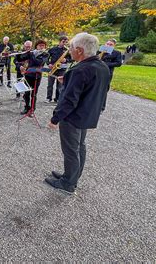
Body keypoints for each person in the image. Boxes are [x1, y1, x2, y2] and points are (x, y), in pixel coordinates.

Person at [46, 32, 110, 194]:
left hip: (73, 117)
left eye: (72, 48)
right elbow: (98, 90)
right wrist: (67, 80)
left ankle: (68, 183)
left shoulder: (80, 70)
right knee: (80, 146)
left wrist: (55, 118)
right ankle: (72, 175)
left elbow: (69, 100)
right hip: (88, 114)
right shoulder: (101, 66)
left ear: (80, 50)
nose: (70, 51)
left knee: (71, 150)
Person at [16, 40, 49, 115]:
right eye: (39, 45)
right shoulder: (32, 53)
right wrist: (18, 54)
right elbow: (20, 59)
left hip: (37, 76)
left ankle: (32, 109)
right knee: (26, 93)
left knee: (34, 94)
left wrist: (31, 55)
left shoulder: (45, 54)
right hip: (28, 75)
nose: (41, 47)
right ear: (36, 46)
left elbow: (38, 62)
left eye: (43, 45)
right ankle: (26, 107)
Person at [46, 36, 70, 103]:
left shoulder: (68, 50)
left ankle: (58, 99)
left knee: (59, 85)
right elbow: (46, 58)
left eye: (66, 42)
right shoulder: (52, 49)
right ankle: (49, 98)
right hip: (53, 68)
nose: (65, 43)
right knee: (50, 84)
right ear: (59, 41)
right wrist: (48, 64)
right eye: (63, 42)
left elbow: (72, 59)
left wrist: (66, 60)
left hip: (62, 69)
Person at [100, 38, 122, 111]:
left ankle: (102, 107)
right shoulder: (101, 50)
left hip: (107, 72)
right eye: (107, 44)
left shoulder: (117, 53)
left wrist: (106, 64)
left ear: (114, 46)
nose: (108, 45)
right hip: (97, 71)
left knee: (104, 89)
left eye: (111, 44)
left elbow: (118, 63)